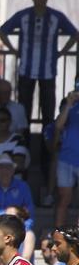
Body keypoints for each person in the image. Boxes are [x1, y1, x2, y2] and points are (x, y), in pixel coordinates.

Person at [0, 0, 79, 127]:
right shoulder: (23, 16)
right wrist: (12, 50)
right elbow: (2, 31)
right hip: (26, 70)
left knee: (48, 112)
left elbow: (75, 34)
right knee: (24, 111)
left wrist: (62, 52)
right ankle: (25, 145)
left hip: (48, 72)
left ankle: (46, 147)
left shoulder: (56, 16)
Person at [53, 89, 79, 227]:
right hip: (66, 159)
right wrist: (68, 104)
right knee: (64, 198)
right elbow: (58, 125)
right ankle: (59, 234)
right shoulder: (71, 106)